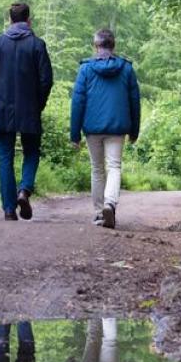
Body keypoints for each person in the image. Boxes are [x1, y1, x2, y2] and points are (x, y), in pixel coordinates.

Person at [0, 2, 54, 221]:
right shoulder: (37, 45)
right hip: (30, 109)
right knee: (31, 152)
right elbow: (46, 80)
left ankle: (9, 209)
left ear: (10, 20)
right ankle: (24, 190)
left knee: (5, 156)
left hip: (2, 109)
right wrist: (38, 103)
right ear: (28, 20)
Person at [69, 29, 141, 228]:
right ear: (113, 46)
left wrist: (74, 134)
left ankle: (100, 212)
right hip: (118, 127)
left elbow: (78, 101)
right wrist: (135, 130)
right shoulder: (126, 68)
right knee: (114, 166)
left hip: (92, 128)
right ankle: (110, 203)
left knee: (97, 169)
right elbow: (135, 101)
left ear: (96, 46)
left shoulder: (86, 69)